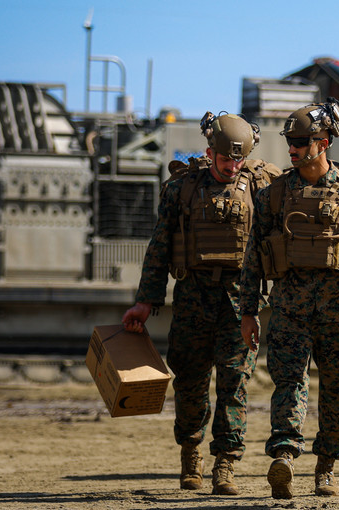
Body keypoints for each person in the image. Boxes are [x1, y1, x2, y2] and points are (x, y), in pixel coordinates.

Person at [122, 112, 280, 495]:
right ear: (210, 153)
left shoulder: (261, 188)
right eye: (225, 159)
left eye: (239, 160)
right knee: (190, 381)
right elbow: (159, 247)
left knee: (234, 382)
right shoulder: (182, 190)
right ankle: (191, 453)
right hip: (192, 296)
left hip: (239, 300)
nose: (232, 167)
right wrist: (145, 301)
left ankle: (226, 463)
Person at [238, 101, 339, 499]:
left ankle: (326, 467)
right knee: (288, 384)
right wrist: (248, 311)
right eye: (290, 141)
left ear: (323, 143)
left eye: (301, 142)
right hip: (289, 310)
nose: (292, 148)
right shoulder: (273, 196)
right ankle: (284, 456)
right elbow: (253, 256)